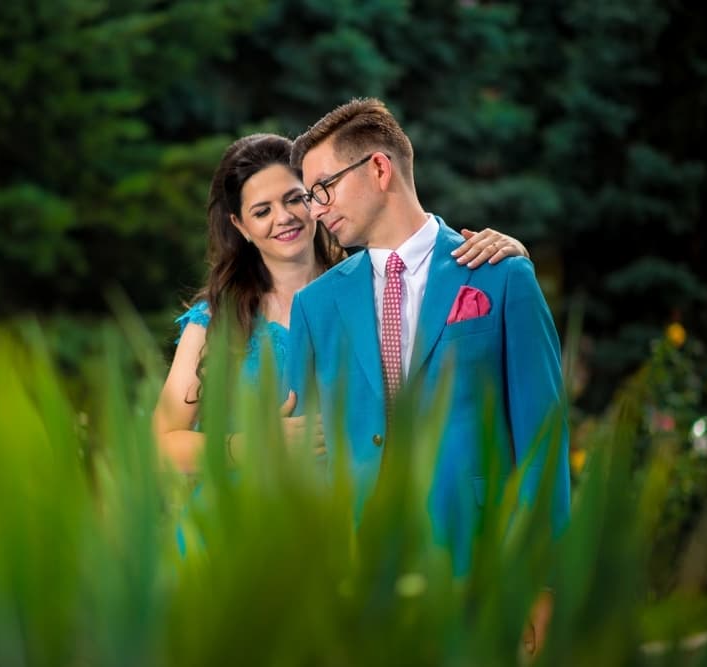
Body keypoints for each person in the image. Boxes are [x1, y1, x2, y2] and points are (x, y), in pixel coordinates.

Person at [285, 98, 570, 653]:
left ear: (378, 168)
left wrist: (543, 583)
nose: (315, 210)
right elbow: (305, 456)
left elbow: (543, 438)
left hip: (480, 572)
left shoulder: (501, 274)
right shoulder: (315, 308)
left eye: (323, 188)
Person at [153, 133, 530, 474]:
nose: (284, 218)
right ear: (239, 226)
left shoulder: (375, 287)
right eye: (262, 211)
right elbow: (162, 444)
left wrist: (512, 255)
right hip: (238, 525)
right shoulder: (215, 321)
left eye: (295, 198)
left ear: (317, 200)